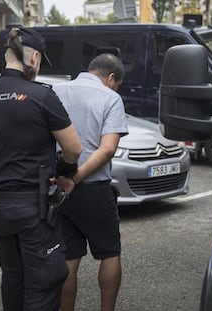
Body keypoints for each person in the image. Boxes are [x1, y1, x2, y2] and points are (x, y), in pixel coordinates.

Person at [0, 27, 82, 311]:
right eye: (40, 59)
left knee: (14, 278)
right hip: (33, 209)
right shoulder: (42, 96)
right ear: (33, 57)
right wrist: (65, 171)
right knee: (43, 282)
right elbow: (74, 148)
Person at [53, 53, 128, 311]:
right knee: (109, 253)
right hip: (93, 189)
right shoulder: (111, 98)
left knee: (68, 258)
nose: (115, 88)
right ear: (110, 78)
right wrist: (76, 177)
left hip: (59, 188)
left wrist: (65, 178)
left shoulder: (56, 91)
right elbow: (107, 149)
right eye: (116, 83)